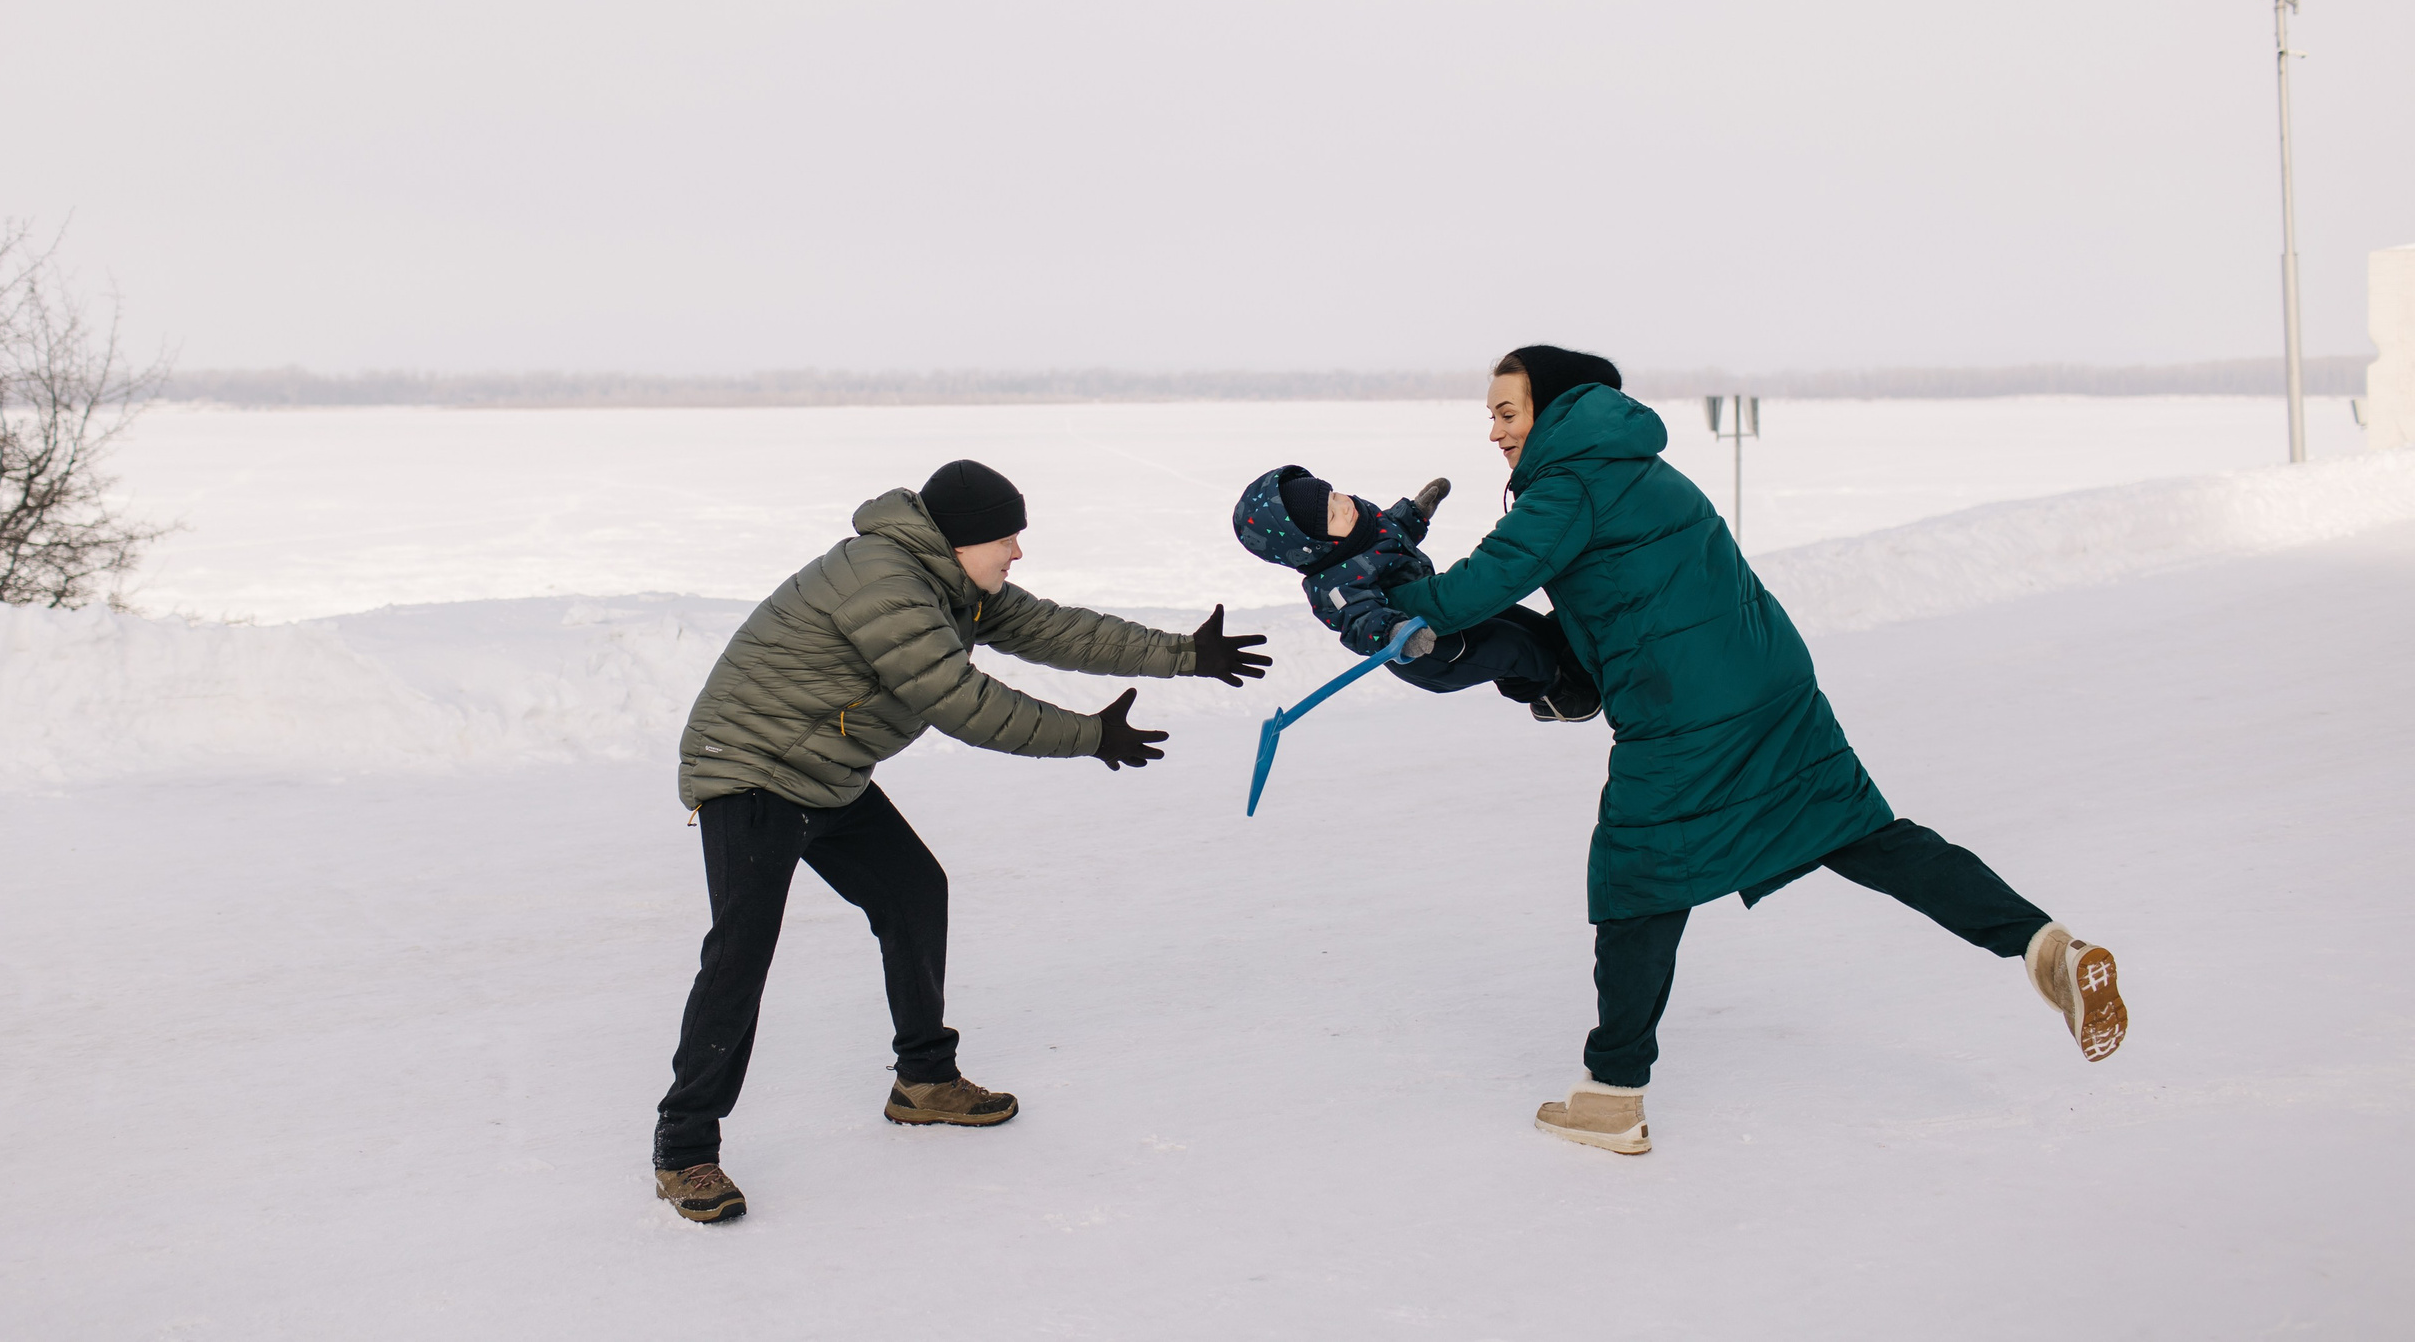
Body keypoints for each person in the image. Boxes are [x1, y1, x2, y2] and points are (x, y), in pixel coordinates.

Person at [1384, 346, 2127, 1155]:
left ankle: (1612, 1093)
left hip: (1685, 716)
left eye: (1506, 411)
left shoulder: (1567, 483)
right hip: (1773, 687)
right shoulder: (1637, 464)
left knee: (1637, 878)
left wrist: (1379, 597)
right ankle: (2046, 945)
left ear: (1552, 407)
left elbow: (1473, 591)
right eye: (1490, 415)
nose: (1493, 431)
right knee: (1872, 839)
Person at [652, 459, 1271, 1222]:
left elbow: (1055, 627)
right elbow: (963, 702)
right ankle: (685, 1148)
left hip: (827, 770)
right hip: (750, 767)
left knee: (914, 890)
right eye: (1006, 536)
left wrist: (1186, 653)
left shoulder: (952, 584)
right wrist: (1089, 735)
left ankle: (924, 1080)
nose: (1016, 552)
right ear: (960, 538)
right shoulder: (886, 584)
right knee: (743, 946)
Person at [1230, 465, 1597, 720]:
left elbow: (1395, 529)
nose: (1343, 504)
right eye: (1331, 514)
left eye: (1333, 494)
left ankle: (1571, 648)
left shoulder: (1364, 524)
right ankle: (1556, 696)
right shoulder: (1332, 583)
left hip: (1438, 609)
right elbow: (1359, 621)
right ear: (1314, 545)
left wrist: (1417, 510)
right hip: (1427, 651)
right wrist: (1392, 633)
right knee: (1515, 649)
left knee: (1515, 618)